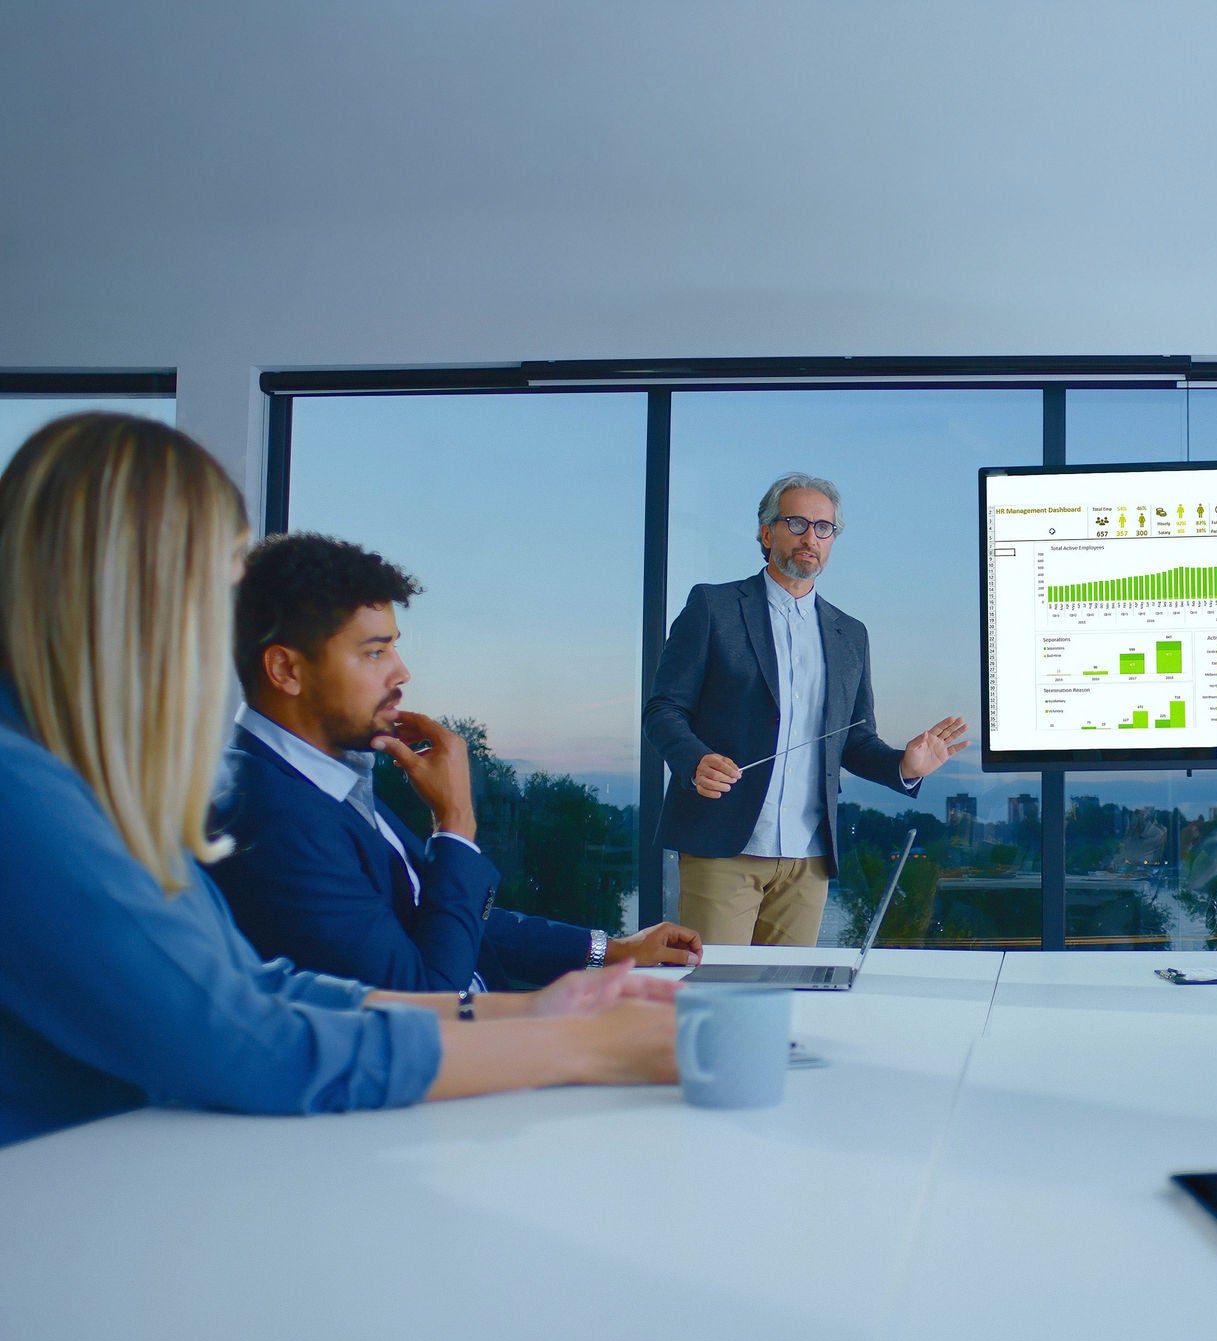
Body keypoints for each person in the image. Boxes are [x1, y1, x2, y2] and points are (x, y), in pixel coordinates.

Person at [0, 414, 679, 1148]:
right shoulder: (23, 792)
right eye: (213, 593)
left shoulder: (84, 782)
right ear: (132, 595)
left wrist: (545, 1010)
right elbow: (250, 1044)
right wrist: (584, 1046)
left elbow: (262, 989)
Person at [209, 533, 702, 993]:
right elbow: (426, 1000)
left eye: (394, 646)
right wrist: (455, 823)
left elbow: (448, 915)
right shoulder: (272, 817)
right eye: (375, 651)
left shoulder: (320, 780)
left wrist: (613, 950)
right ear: (286, 670)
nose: (402, 672)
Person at [645, 473, 967, 946]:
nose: (810, 538)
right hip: (723, 845)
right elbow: (664, 709)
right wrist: (694, 760)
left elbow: (854, 741)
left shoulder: (850, 633)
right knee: (715, 1000)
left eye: (824, 528)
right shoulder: (713, 607)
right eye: (796, 523)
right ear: (765, 533)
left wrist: (905, 764)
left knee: (788, 1002)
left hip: (809, 858)